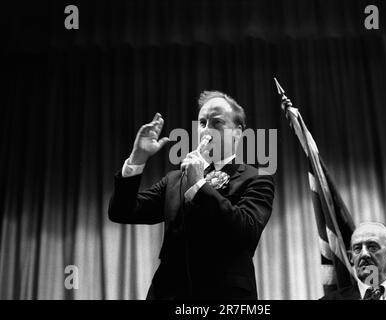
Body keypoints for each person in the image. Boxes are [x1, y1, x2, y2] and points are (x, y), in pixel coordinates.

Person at [108, 90, 275, 300]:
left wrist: (198, 185)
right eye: (202, 123)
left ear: (238, 132)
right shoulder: (174, 179)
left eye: (217, 123)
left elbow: (246, 232)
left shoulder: (256, 178)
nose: (207, 130)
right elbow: (122, 212)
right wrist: (136, 159)